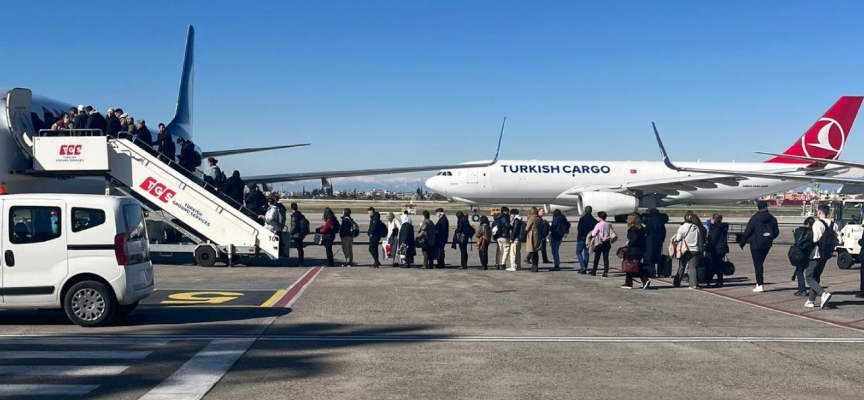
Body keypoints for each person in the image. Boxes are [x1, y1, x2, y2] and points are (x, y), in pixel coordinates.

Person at [740, 200, 780, 293]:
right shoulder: (772, 218)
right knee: (760, 263)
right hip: (767, 244)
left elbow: (747, 231)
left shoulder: (754, 218)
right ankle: (759, 283)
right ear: (766, 207)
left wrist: (742, 242)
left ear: (758, 208)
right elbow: (776, 232)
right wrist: (769, 238)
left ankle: (759, 284)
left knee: (758, 264)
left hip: (755, 244)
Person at [805, 205, 834, 308]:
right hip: (826, 254)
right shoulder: (832, 224)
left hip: (816, 254)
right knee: (816, 276)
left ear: (820, 212)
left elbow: (815, 239)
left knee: (809, 277)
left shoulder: (818, 223)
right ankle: (811, 300)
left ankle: (823, 294)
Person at [673, 213, 706, 288]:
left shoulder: (682, 227)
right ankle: (693, 284)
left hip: (685, 250)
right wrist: (700, 248)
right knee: (693, 267)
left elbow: (678, 238)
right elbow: (700, 239)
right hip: (695, 249)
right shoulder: (696, 227)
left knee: (682, 266)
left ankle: (677, 282)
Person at [621, 213, 651, 289]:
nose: (626, 220)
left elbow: (634, 240)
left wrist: (628, 243)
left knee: (630, 265)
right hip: (640, 250)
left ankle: (643, 280)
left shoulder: (633, 230)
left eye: (628, 219)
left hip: (633, 251)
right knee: (635, 266)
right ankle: (629, 283)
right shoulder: (641, 228)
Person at [791, 217, 815, 297]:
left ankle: (802, 289)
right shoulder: (813, 232)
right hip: (811, 254)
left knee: (799, 272)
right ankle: (814, 289)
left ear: (807, 224)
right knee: (812, 274)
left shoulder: (800, 231)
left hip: (801, 254)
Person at [705, 214, 730, 288]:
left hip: (716, 249)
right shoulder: (723, 227)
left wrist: (708, 248)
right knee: (718, 265)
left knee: (714, 265)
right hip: (722, 248)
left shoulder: (715, 228)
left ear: (714, 219)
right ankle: (719, 281)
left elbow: (713, 239)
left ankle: (709, 280)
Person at [642, 208, 667, 277]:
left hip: (650, 242)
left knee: (649, 257)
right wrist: (662, 239)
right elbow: (664, 232)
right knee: (658, 256)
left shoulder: (651, 220)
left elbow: (647, 230)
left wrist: (642, 230)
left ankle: (650, 272)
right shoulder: (661, 221)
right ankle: (659, 272)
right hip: (659, 242)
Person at [587, 211, 613, 277]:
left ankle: (594, 271)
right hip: (607, 242)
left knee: (597, 257)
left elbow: (593, 233)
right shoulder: (608, 224)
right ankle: (605, 272)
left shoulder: (598, 224)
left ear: (600, 217)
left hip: (600, 242)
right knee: (606, 258)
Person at [576, 206, 597, 273]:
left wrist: (581, 236)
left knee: (578, 252)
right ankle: (585, 266)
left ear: (585, 211)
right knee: (586, 253)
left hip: (582, 238)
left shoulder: (582, 219)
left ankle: (583, 266)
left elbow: (579, 229)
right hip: (590, 238)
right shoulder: (594, 220)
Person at [524, 207, 542, 272]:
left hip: (532, 235)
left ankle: (534, 265)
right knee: (535, 251)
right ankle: (535, 265)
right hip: (537, 234)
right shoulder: (539, 218)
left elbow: (527, 228)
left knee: (532, 250)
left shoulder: (532, 218)